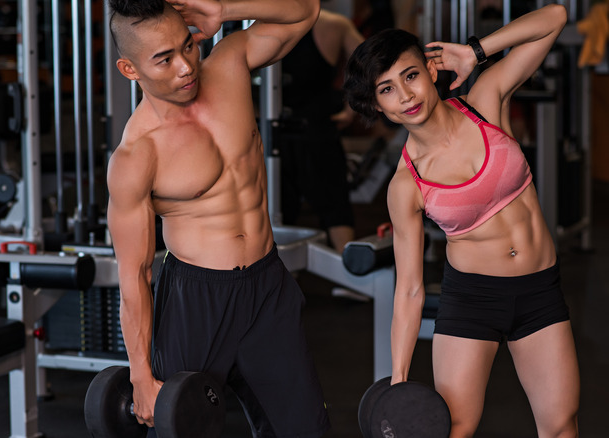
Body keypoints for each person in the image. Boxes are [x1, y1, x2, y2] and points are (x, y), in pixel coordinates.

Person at [343, 4, 579, 438]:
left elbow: (556, 17)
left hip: (540, 290)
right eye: (387, 89)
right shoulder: (405, 185)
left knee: (562, 426)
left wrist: (476, 52)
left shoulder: (485, 102)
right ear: (377, 104)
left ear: (432, 70)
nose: (406, 97)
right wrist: (398, 380)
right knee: (454, 429)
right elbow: (411, 288)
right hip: (472, 302)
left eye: (410, 76)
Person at [105, 0, 330, 437]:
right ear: (130, 69)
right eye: (163, 59)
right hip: (197, 302)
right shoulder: (137, 155)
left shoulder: (228, 64)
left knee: (306, 430)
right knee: (180, 430)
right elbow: (134, 274)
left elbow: (306, 10)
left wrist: (224, 10)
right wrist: (140, 377)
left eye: (187, 46)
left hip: (267, 287)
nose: (185, 66)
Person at [281, 6, 364, 251]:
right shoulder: (334, 24)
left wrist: (351, 106)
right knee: (334, 208)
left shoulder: (263, 23)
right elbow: (371, 63)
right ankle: (353, 283)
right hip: (315, 128)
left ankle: (350, 280)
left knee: (281, 212)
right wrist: (351, 107)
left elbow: (372, 64)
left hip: (282, 129)